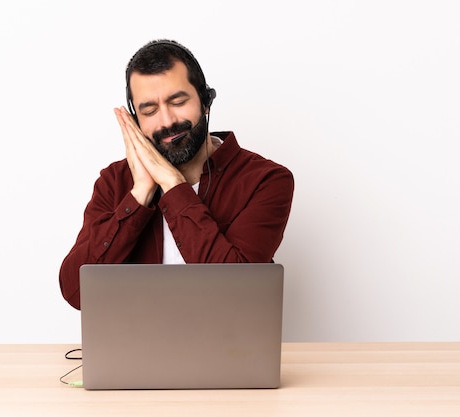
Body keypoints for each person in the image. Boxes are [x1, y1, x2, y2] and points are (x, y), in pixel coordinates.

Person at [59, 39, 294, 310]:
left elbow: (234, 293)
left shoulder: (266, 180)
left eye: (178, 101)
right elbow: (77, 293)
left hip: (228, 350)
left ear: (206, 102)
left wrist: (172, 184)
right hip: (136, 350)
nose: (167, 121)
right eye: (149, 110)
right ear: (136, 121)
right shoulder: (114, 182)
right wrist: (139, 195)